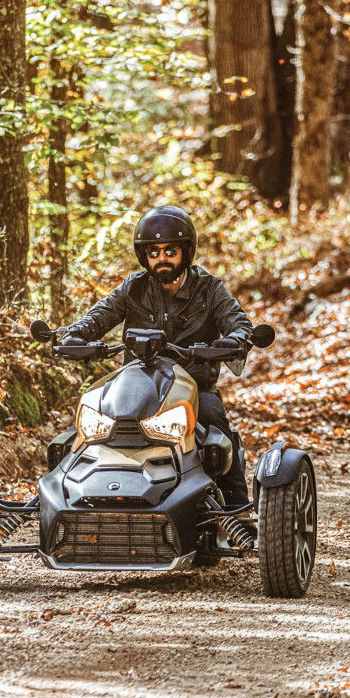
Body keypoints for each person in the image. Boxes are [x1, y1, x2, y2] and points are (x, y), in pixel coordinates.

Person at [60, 205, 254, 506]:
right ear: (144, 255)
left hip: (194, 388)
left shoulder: (209, 288)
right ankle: (67, 497)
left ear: (185, 251)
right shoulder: (133, 287)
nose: (162, 258)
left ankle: (236, 509)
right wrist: (73, 335)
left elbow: (238, 323)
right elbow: (98, 317)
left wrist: (237, 338)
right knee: (88, 420)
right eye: (154, 252)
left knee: (214, 420)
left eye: (170, 250)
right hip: (136, 386)